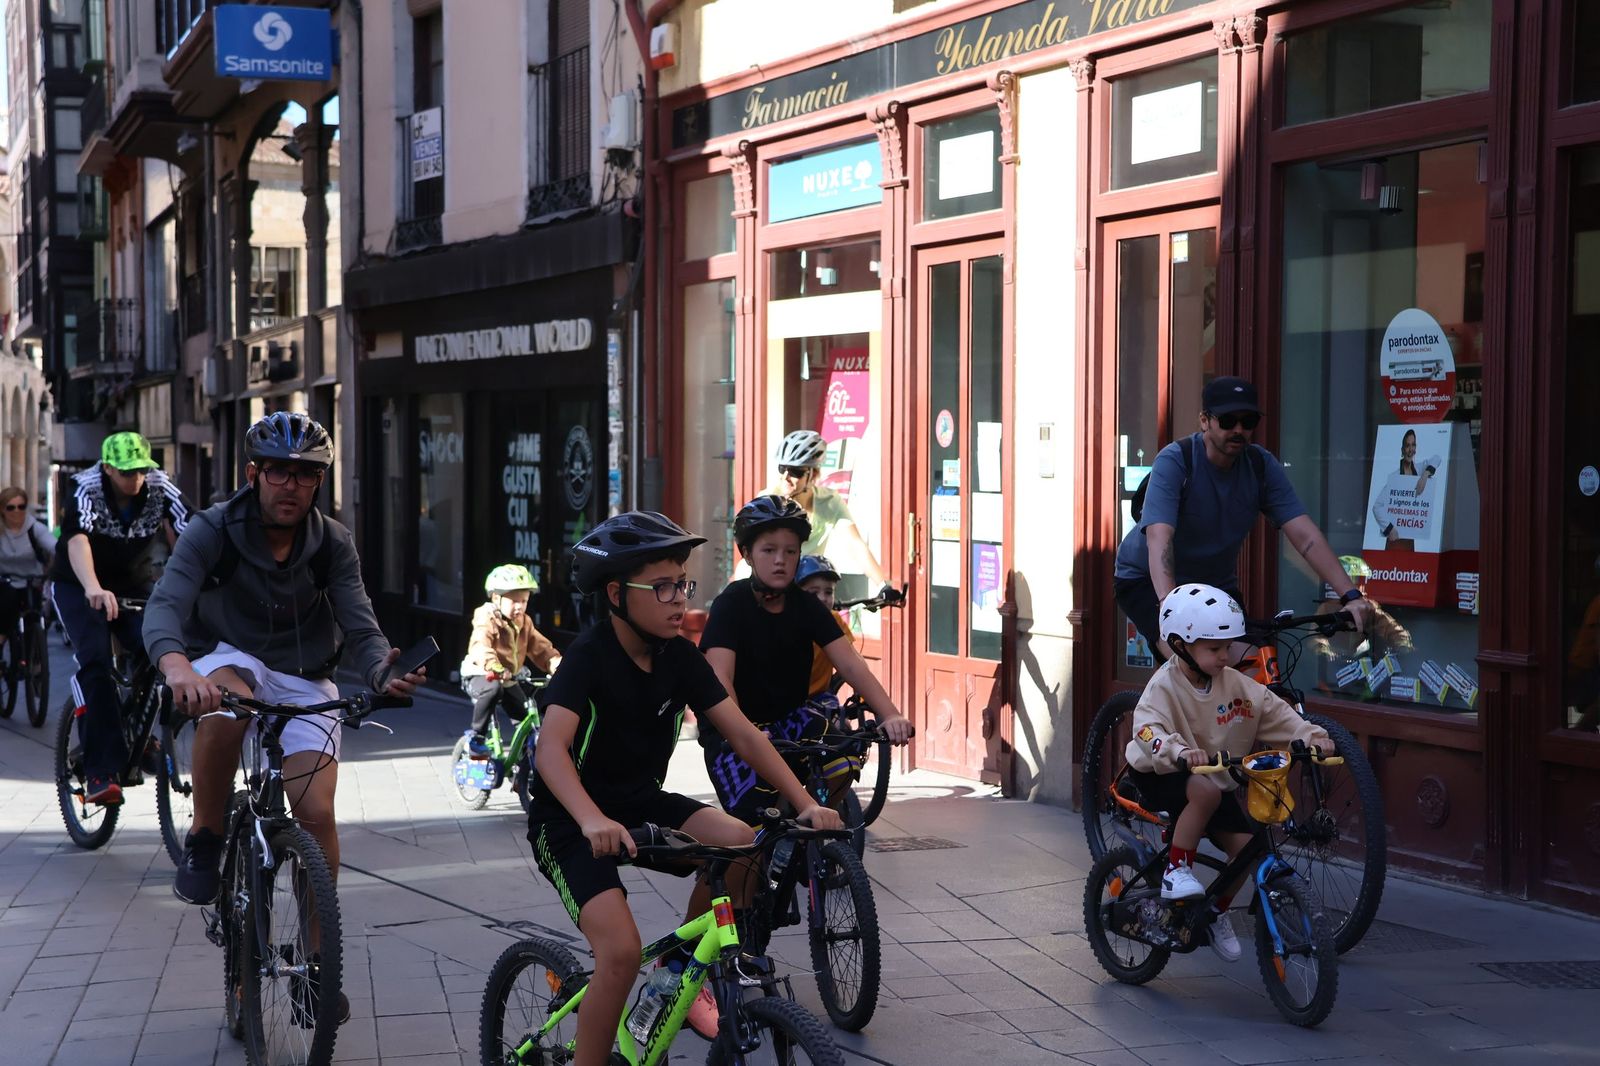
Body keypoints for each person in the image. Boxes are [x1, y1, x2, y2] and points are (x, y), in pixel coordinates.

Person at [527, 511, 842, 1063]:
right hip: (571, 819)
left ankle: (675, 977)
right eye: (664, 587)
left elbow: (743, 734)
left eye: (684, 584)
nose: (679, 600)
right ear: (618, 594)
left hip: (642, 802)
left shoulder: (680, 656)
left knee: (742, 842)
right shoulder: (588, 656)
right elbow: (550, 750)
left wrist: (807, 803)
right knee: (620, 953)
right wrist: (591, 820)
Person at [145, 415, 424, 990]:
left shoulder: (333, 543)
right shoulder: (212, 530)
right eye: (278, 471)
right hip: (229, 657)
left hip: (306, 677)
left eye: (305, 474)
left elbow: (363, 626)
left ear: (319, 481)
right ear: (254, 473)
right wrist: (176, 666)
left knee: (316, 814)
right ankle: (205, 836)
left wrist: (381, 672)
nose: (290, 484)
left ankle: (317, 968)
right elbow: (166, 604)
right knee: (230, 704)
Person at [1124, 584, 1332, 961]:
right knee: (1203, 792)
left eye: (1229, 647)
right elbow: (1146, 729)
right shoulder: (1164, 686)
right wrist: (1179, 751)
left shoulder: (1235, 684)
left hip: (1215, 779)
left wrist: (1310, 736)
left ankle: (1214, 912)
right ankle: (1176, 871)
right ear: (1180, 645)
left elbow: (1274, 712)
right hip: (1162, 772)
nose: (1226, 656)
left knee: (1247, 855)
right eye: (1214, 648)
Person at [1114, 376, 1372, 659]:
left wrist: (1350, 595)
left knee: (1249, 661)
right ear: (1204, 421)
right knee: (1189, 659)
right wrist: (1169, 606)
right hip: (1147, 581)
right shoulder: (1177, 461)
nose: (1238, 430)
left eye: (1248, 421)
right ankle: (1162, 702)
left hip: (1215, 585)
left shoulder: (1260, 466)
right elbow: (1159, 537)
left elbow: (1305, 536)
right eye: (1227, 420)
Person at [700, 495, 913, 827]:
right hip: (734, 730)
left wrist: (890, 713)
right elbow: (719, 678)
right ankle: (757, 848)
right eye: (769, 550)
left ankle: (799, 827)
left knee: (842, 761)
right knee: (750, 839)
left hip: (790, 722)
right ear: (747, 555)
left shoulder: (807, 606)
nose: (781, 560)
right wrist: (744, 731)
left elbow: (851, 664)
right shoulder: (732, 605)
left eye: (790, 551)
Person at [51, 432, 190, 805]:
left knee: (158, 646)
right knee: (94, 661)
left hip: (131, 581)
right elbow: (77, 538)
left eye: (142, 470)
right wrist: (93, 588)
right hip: (80, 583)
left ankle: (141, 735)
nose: (136, 479)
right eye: (127, 472)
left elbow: (190, 532)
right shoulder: (85, 487)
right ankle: (99, 767)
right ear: (108, 468)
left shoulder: (160, 486)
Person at [769, 429, 892, 594]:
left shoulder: (829, 502)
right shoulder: (768, 501)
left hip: (803, 590)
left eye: (795, 472)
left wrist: (882, 585)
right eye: (782, 468)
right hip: (768, 587)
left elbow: (856, 545)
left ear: (813, 474)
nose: (785, 477)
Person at [460, 563, 561, 757]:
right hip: (482, 674)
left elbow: (542, 649)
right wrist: (494, 665)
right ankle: (476, 737)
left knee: (528, 719)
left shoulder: (524, 622)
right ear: (496, 598)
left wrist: (557, 665)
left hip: (508, 678)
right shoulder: (487, 616)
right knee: (493, 690)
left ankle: (523, 768)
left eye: (524, 601)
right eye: (514, 601)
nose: (520, 606)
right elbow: (480, 644)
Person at [0, 486, 55, 661]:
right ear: (2, 509)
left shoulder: (34, 528)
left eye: (21, 506)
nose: (17, 511)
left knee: (37, 616)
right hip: (5, 582)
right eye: (11, 507)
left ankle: (35, 657)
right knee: (6, 604)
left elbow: (54, 546)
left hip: (32, 581)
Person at [797, 554, 853, 699]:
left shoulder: (835, 620)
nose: (822, 598)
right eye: (813, 592)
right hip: (790, 700)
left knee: (842, 721)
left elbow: (853, 661)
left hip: (821, 697)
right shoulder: (790, 621)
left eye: (828, 592)